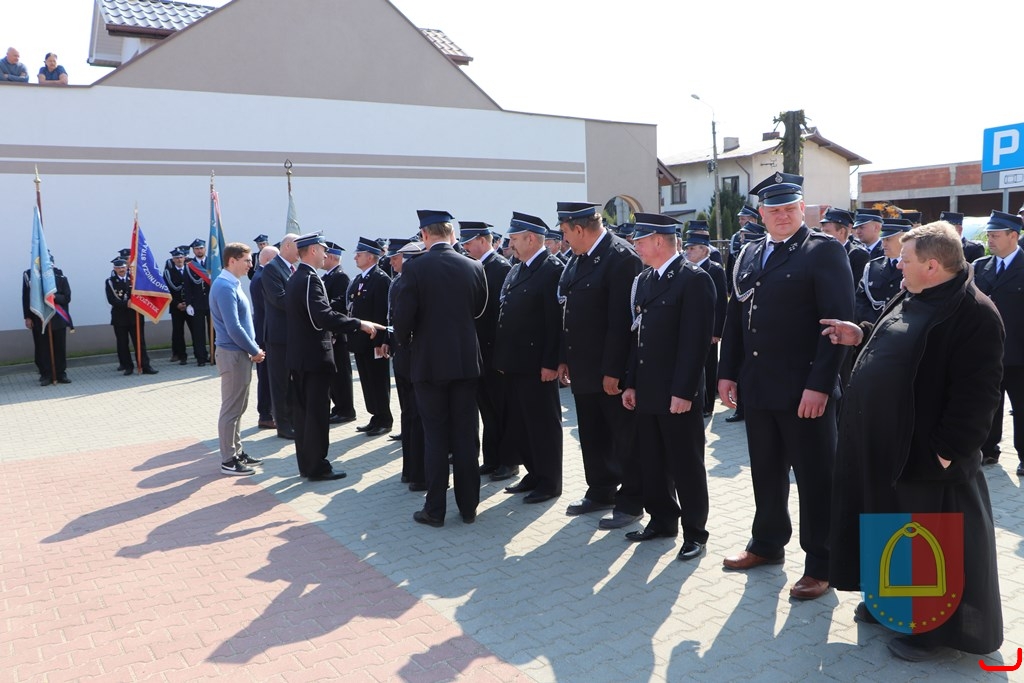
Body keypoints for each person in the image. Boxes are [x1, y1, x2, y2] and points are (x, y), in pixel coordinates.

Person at [824, 221, 1004, 662]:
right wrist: (861, 334)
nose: (897, 265)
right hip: (883, 444)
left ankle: (928, 630)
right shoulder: (914, 293)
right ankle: (888, 603)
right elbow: (898, 343)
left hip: (926, 453)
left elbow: (978, 393)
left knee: (924, 539)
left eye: (905, 260)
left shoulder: (975, 313)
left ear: (932, 265)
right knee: (886, 524)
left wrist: (947, 451)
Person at [717, 172, 853, 600]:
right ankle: (767, 543)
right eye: (773, 210)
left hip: (804, 391)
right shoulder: (749, 252)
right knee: (766, 471)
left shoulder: (823, 250)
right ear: (761, 213)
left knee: (816, 480)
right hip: (759, 386)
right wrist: (726, 371)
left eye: (789, 208)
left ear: (802, 209)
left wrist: (820, 385)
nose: (781, 215)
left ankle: (822, 564)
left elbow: (836, 326)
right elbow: (736, 316)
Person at [622, 213, 715, 560]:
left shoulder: (694, 279)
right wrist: (631, 383)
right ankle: (662, 520)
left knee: (686, 464)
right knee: (653, 460)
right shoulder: (646, 279)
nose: (636, 246)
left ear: (659, 241)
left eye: (640, 241)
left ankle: (695, 533)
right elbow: (639, 338)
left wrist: (684, 392)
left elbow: (696, 342)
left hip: (677, 391)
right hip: (648, 387)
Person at [391, 210, 488, 527]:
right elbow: (479, 310)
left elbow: (402, 320)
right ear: (451, 233)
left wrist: (406, 344)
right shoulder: (474, 266)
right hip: (465, 364)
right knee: (466, 437)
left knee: (435, 438)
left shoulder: (415, 267)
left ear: (424, 235)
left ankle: (435, 510)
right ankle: (469, 506)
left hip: (429, 365)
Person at [556, 201, 644, 530]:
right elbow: (569, 311)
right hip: (583, 366)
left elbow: (622, 323)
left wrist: (613, 371)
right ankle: (601, 489)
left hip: (609, 370)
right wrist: (564, 357)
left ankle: (632, 500)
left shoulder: (621, 258)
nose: (564, 239)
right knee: (592, 434)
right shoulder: (578, 258)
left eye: (565, 232)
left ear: (579, 229)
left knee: (624, 437)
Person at [286, 232, 384, 481]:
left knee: (304, 414)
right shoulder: (310, 279)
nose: (326, 254)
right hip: (313, 357)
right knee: (316, 415)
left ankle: (307, 464)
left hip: (300, 356)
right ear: (312, 251)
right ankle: (317, 466)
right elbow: (323, 317)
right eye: (322, 249)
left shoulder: (297, 277)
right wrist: (359, 324)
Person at [493, 212, 564, 504]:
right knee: (522, 422)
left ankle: (550, 481)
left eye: (514, 239)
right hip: (516, 362)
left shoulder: (551, 269)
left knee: (543, 424)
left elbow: (555, 322)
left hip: (537, 365)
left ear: (531, 239)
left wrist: (550, 362)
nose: (510, 245)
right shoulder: (519, 268)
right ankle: (534, 473)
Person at [459, 221, 516, 480]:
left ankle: (509, 461)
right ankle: (492, 458)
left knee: (502, 409)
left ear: (484, 240)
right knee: (487, 409)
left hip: (496, 353)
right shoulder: (476, 266)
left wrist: (503, 355)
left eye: (469, 242)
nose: (466, 247)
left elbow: (503, 316)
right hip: (479, 351)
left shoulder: (500, 268)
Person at [974, 210, 1024, 470]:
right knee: (988, 405)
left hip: (1019, 353)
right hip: (987, 352)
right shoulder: (980, 266)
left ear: (1013, 235)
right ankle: (987, 450)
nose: (990, 240)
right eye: (989, 235)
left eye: (995, 235)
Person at [210, 243, 265, 476]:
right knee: (231, 409)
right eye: (247, 260)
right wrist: (254, 349)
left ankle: (237, 452)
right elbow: (233, 327)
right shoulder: (224, 286)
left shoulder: (231, 283)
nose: (251, 264)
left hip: (238, 353)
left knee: (239, 406)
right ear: (232, 260)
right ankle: (228, 460)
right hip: (233, 354)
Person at [383, 239, 427, 489]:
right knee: (417, 415)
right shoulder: (408, 283)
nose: (392, 262)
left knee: (409, 414)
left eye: (397, 258)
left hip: (402, 356)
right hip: (413, 357)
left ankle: (410, 470)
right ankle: (418, 471)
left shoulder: (400, 282)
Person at [348, 236, 393, 437]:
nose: (355, 257)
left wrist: (382, 341)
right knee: (367, 381)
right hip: (360, 342)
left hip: (375, 341)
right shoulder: (360, 279)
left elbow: (383, 313)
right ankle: (375, 416)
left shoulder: (381, 279)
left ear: (370, 257)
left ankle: (385, 419)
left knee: (378, 381)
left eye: (359, 254)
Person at [683, 229, 727, 418]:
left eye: (692, 248)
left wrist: (716, 331)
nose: (688, 252)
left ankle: (708, 406)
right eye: (687, 248)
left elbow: (721, 303)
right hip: (692, 327)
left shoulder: (714, 269)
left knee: (708, 366)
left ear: (704, 250)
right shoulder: (686, 269)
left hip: (709, 329)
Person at [262, 235, 298, 439]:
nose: (301, 252)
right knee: (280, 382)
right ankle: (283, 426)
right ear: (287, 246)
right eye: (299, 247)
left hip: (291, 334)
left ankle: (292, 420)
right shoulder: (272, 269)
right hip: (278, 336)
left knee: (291, 382)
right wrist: (306, 302)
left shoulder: (291, 268)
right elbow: (279, 299)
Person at [320, 240, 357, 426]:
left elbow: (341, 305)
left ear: (333, 258)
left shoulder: (340, 277)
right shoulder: (328, 277)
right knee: (334, 375)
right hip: (331, 332)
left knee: (341, 374)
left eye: (326, 255)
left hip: (338, 334)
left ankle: (346, 409)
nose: (323, 258)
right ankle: (339, 407)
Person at [22, 256, 72, 385]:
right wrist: (27, 317)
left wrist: (54, 297)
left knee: (59, 348)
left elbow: (67, 298)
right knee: (43, 348)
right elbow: (27, 298)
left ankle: (61, 374)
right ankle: (46, 375)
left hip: (58, 319)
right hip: (40, 319)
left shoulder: (61, 278)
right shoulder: (33, 279)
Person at [105, 257, 158, 376]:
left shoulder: (134, 279)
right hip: (120, 317)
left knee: (140, 342)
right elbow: (111, 299)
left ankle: (145, 366)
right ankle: (128, 367)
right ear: (114, 269)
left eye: (123, 267)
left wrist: (135, 303)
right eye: (118, 268)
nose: (121, 270)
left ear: (127, 267)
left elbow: (143, 294)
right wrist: (126, 304)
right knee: (123, 343)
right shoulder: (110, 282)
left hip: (135, 315)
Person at [854, 219, 909, 324]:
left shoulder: (915, 267)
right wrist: (874, 323)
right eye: (883, 239)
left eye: (888, 239)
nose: (883, 244)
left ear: (904, 240)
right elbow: (860, 300)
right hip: (872, 326)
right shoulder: (872, 266)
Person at [250, 245, 278, 429]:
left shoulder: (260, 275)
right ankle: (266, 414)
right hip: (265, 334)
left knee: (268, 375)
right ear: (268, 260)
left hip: (265, 332)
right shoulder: (261, 278)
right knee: (266, 377)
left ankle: (269, 412)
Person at [820, 207, 869, 286]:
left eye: (827, 232)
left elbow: (856, 288)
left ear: (841, 232)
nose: (823, 235)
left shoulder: (858, 256)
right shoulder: (818, 253)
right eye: (822, 231)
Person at [183, 239, 212, 367]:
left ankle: (215, 355)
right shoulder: (190, 266)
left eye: (201, 248)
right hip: (197, 303)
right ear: (193, 251)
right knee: (198, 332)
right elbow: (187, 286)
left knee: (214, 331)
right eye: (196, 249)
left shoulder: (212, 263)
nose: (199, 251)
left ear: (205, 249)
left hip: (212, 302)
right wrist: (188, 303)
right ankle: (201, 357)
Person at [163, 248, 191, 365]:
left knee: (196, 331)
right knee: (178, 332)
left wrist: (188, 303)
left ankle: (200, 354)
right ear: (173, 260)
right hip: (176, 306)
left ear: (184, 258)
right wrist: (177, 304)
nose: (179, 260)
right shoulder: (168, 272)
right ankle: (181, 355)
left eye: (181, 257)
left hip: (190, 305)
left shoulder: (190, 269)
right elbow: (167, 291)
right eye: (176, 258)